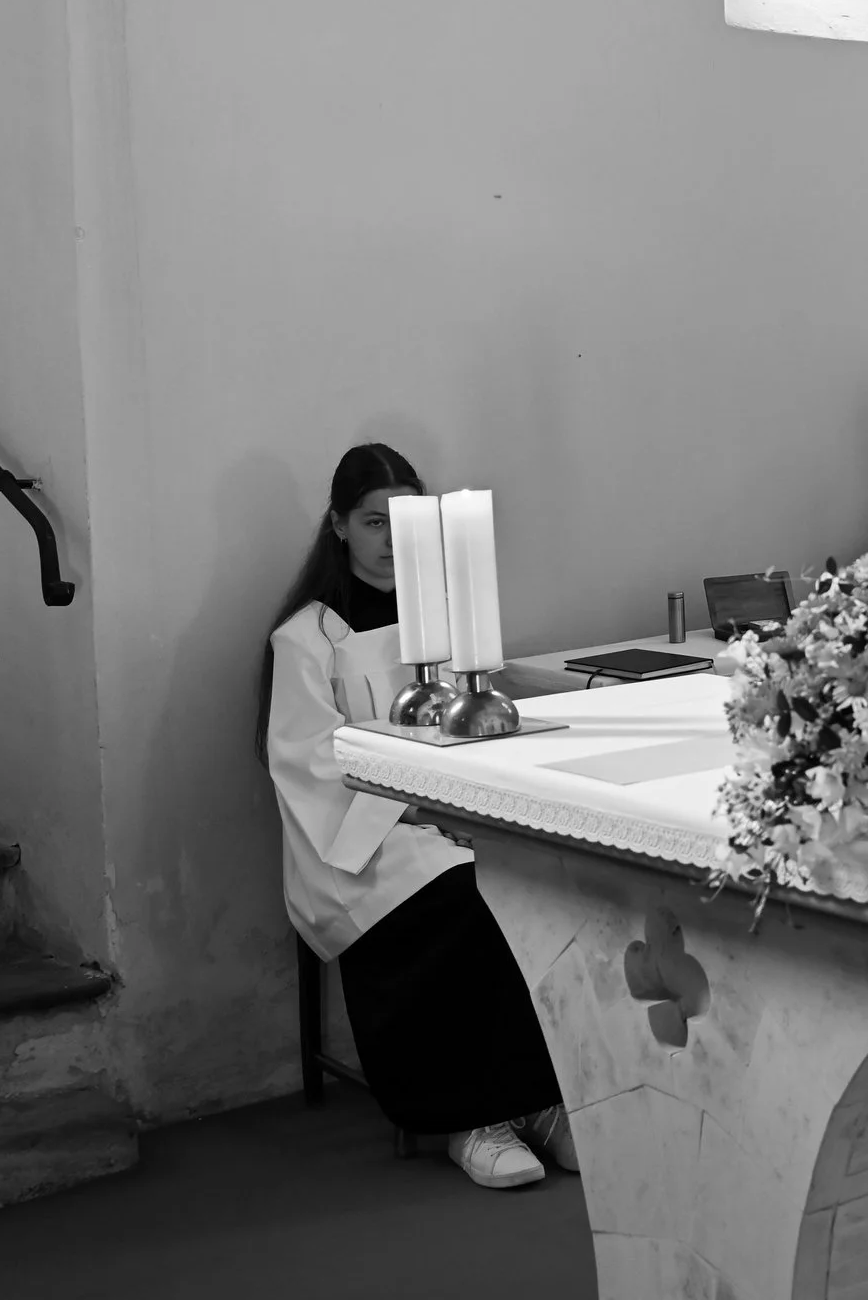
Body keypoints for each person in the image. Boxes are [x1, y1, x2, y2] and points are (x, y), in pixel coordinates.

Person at [259, 443, 576, 1188]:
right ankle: (468, 1115)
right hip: (356, 845)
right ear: (338, 524)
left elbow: (471, 718)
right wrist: (420, 808)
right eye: (372, 521)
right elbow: (308, 767)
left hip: (451, 818)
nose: (387, 540)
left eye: (401, 521)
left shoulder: (443, 619)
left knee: (529, 881)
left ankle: (536, 1097)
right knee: (458, 893)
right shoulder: (307, 638)